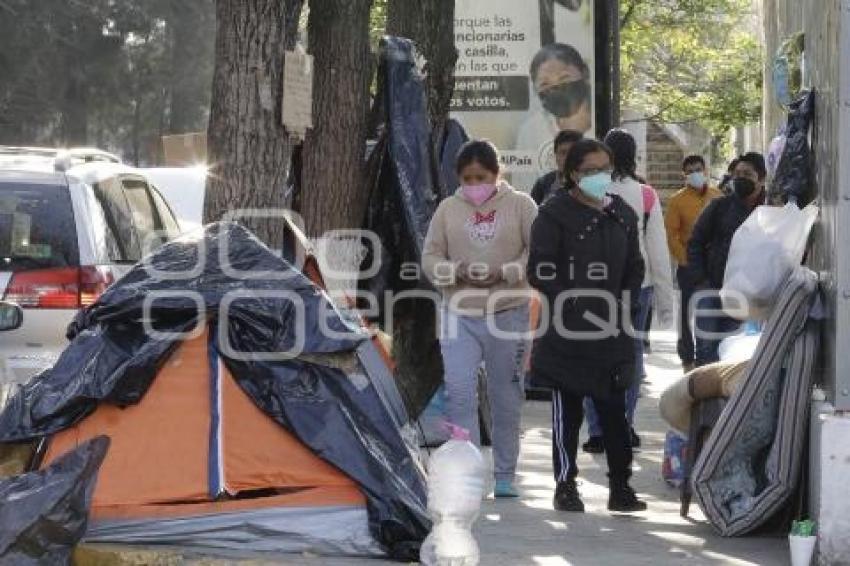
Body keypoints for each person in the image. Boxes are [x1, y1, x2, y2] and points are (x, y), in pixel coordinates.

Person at [528, 139, 647, 513]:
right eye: (590, 170)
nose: (599, 177)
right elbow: (539, 268)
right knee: (568, 413)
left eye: (604, 169)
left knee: (615, 411)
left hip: (611, 329)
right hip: (568, 330)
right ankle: (566, 485)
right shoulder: (553, 213)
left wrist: (624, 301)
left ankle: (621, 487)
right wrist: (572, 299)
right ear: (572, 174)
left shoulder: (623, 214)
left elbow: (635, 266)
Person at [422, 140, 538, 498]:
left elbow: (537, 252)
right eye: (467, 178)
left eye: (481, 177)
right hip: (458, 312)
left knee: (505, 397)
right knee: (459, 393)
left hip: (509, 312)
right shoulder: (447, 209)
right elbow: (429, 256)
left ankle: (505, 475)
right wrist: (455, 271)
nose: (474, 185)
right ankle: (469, 476)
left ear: (497, 172)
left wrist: (505, 272)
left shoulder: (521, 205)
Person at [581, 129, 675, 454]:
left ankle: (596, 431)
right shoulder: (645, 195)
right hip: (639, 285)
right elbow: (658, 250)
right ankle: (623, 425)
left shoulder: (590, 188)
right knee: (631, 355)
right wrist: (666, 305)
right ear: (633, 155)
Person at [688, 152, 767, 367]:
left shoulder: (770, 212)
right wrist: (700, 280)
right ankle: (702, 400)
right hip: (712, 291)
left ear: (761, 179)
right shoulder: (719, 207)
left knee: (734, 355)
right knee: (705, 352)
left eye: (747, 174)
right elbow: (695, 242)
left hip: (748, 298)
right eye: (737, 173)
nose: (740, 178)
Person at [664, 155, 724, 372]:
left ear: (705, 170)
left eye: (697, 169)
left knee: (712, 309)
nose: (694, 174)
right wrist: (687, 260)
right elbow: (672, 235)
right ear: (684, 175)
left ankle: (710, 354)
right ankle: (687, 357)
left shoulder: (718, 196)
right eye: (689, 171)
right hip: (689, 266)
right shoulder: (676, 200)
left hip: (715, 266)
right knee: (687, 313)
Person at [514, 43, 593, 191]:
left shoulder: (601, 121)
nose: (556, 88)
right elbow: (523, 188)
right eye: (545, 84)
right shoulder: (532, 130)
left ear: (585, 73)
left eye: (564, 78)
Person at [530, 129, 583, 204]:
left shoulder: (591, 183)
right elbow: (533, 214)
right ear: (555, 155)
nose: (567, 158)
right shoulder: (543, 184)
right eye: (563, 153)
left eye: (573, 152)